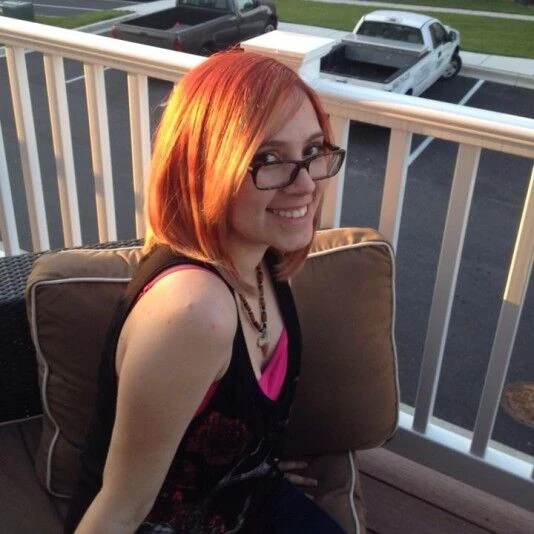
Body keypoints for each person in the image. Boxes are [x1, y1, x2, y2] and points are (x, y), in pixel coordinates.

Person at [64, 49, 346, 534]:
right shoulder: (195, 310)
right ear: (202, 169)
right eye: (268, 158)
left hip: (245, 498)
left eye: (313, 150)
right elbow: (120, 508)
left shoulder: (264, 259)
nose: (304, 184)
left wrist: (252, 466)